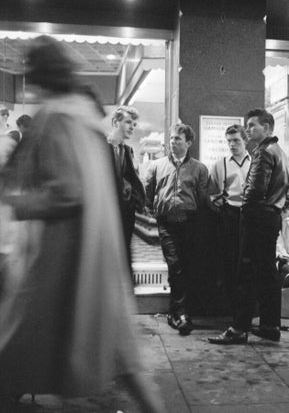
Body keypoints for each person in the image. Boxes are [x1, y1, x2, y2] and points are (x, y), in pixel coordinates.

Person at [0, 35, 164, 413]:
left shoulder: (56, 118)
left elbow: (67, 191)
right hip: (96, 253)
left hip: (63, 257)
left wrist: (17, 201)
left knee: (29, 341)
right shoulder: (84, 117)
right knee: (122, 354)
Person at [209, 108, 289, 345]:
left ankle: (238, 329)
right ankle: (270, 325)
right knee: (268, 272)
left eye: (253, 125)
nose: (249, 129)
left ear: (267, 127)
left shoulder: (263, 152)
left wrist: (245, 209)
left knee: (246, 274)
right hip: (272, 217)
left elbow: (255, 190)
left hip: (256, 219)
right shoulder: (280, 152)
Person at [145, 122, 208, 336]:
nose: (173, 142)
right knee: (175, 264)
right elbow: (149, 192)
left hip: (190, 223)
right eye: (171, 138)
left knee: (187, 265)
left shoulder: (199, 169)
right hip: (167, 223)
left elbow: (202, 198)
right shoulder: (156, 166)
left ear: (189, 143)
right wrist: (155, 212)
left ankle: (179, 311)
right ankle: (180, 313)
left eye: (178, 139)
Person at [208, 124, 251, 307]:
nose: (232, 145)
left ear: (245, 140)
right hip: (229, 215)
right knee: (229, 260)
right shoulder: (220, 165)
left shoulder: (254, 162)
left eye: (236, 141)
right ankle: (232, 304)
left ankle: (247, 305)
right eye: (229, 141)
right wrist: (220, 206)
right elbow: (211, 193)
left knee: (248, 260)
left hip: (250, 215)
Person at [107, 105, 146, 281]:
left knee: (122, 256)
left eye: (134, 124)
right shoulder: (100, 148)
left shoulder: (128, 151)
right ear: (115, 122)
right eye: (128, 122)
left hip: (124, 214)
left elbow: (130, 178)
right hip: (105, 214)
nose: (132, 127)